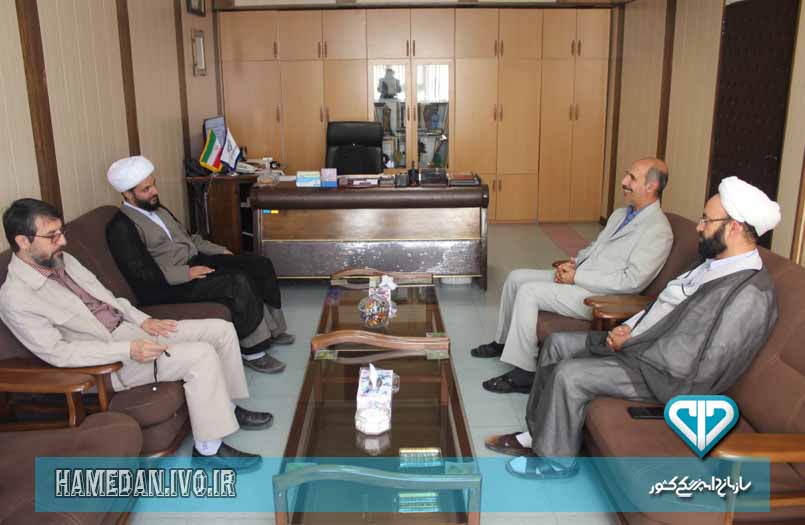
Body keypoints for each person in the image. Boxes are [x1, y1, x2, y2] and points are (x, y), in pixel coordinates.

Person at [484, 177, 780, 479]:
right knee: (557, 344)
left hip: (665, 374)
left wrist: (633, 343)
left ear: (733, 227)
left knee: (568, 375)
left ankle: (556, 462)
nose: (699, 227)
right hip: (642, 344)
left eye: (706, 219)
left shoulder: (749, 295)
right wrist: (629, 328)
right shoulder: (713, 262)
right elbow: (663, 305)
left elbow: (705, 366)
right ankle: (538, 435)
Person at [0, 199, 270, 469]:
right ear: (23, 241)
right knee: (201, 355)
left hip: (130, 331)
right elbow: (60, 354)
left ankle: (228, 407)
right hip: (107, 362)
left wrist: (144, 320)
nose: (62, 241)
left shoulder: (62, 260)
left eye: (61, 232)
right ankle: (208, 450)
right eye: (52, 236)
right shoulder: (16, 298)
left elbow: (108, 298)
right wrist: (127, 349)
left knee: (220, 329)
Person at [474, 158, 673, 394]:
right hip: (581, 277)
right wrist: (574, 264)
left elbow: (631, 282)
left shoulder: (658, 230)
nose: (623, 181)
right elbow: (596, 247)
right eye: (626, 175)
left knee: (529, 292)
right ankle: (503, 342)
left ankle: (525, 374)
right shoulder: (621, 214)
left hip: (601, 297)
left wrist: (576, 277)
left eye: (632, 178)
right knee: (516, 277)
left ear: (651, 186)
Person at [104, 156, 294, 375]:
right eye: (146, 189)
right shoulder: (121, 227)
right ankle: (253, 352)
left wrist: (219, 250)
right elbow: (142, 273)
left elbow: (189, 238)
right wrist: (187, 273)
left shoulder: (157, 209)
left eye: (153, 184)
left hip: (195, 261)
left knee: (258, 264)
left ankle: (275, 330)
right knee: (236, 282)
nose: (154, 191)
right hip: (169, 284)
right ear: (127, 194)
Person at [378, 68, 403, 136]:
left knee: (393, 116)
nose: (389, 74)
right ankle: (380, 131)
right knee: (381, 116)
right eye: (387, 73)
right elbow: (379, 90)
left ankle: (393, 131)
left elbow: (399, 90)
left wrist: (395, 87)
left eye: (390, 73)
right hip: (383, 99)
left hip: (392, 99)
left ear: (392, 73)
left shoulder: (396, 80)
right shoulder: (381, 80)